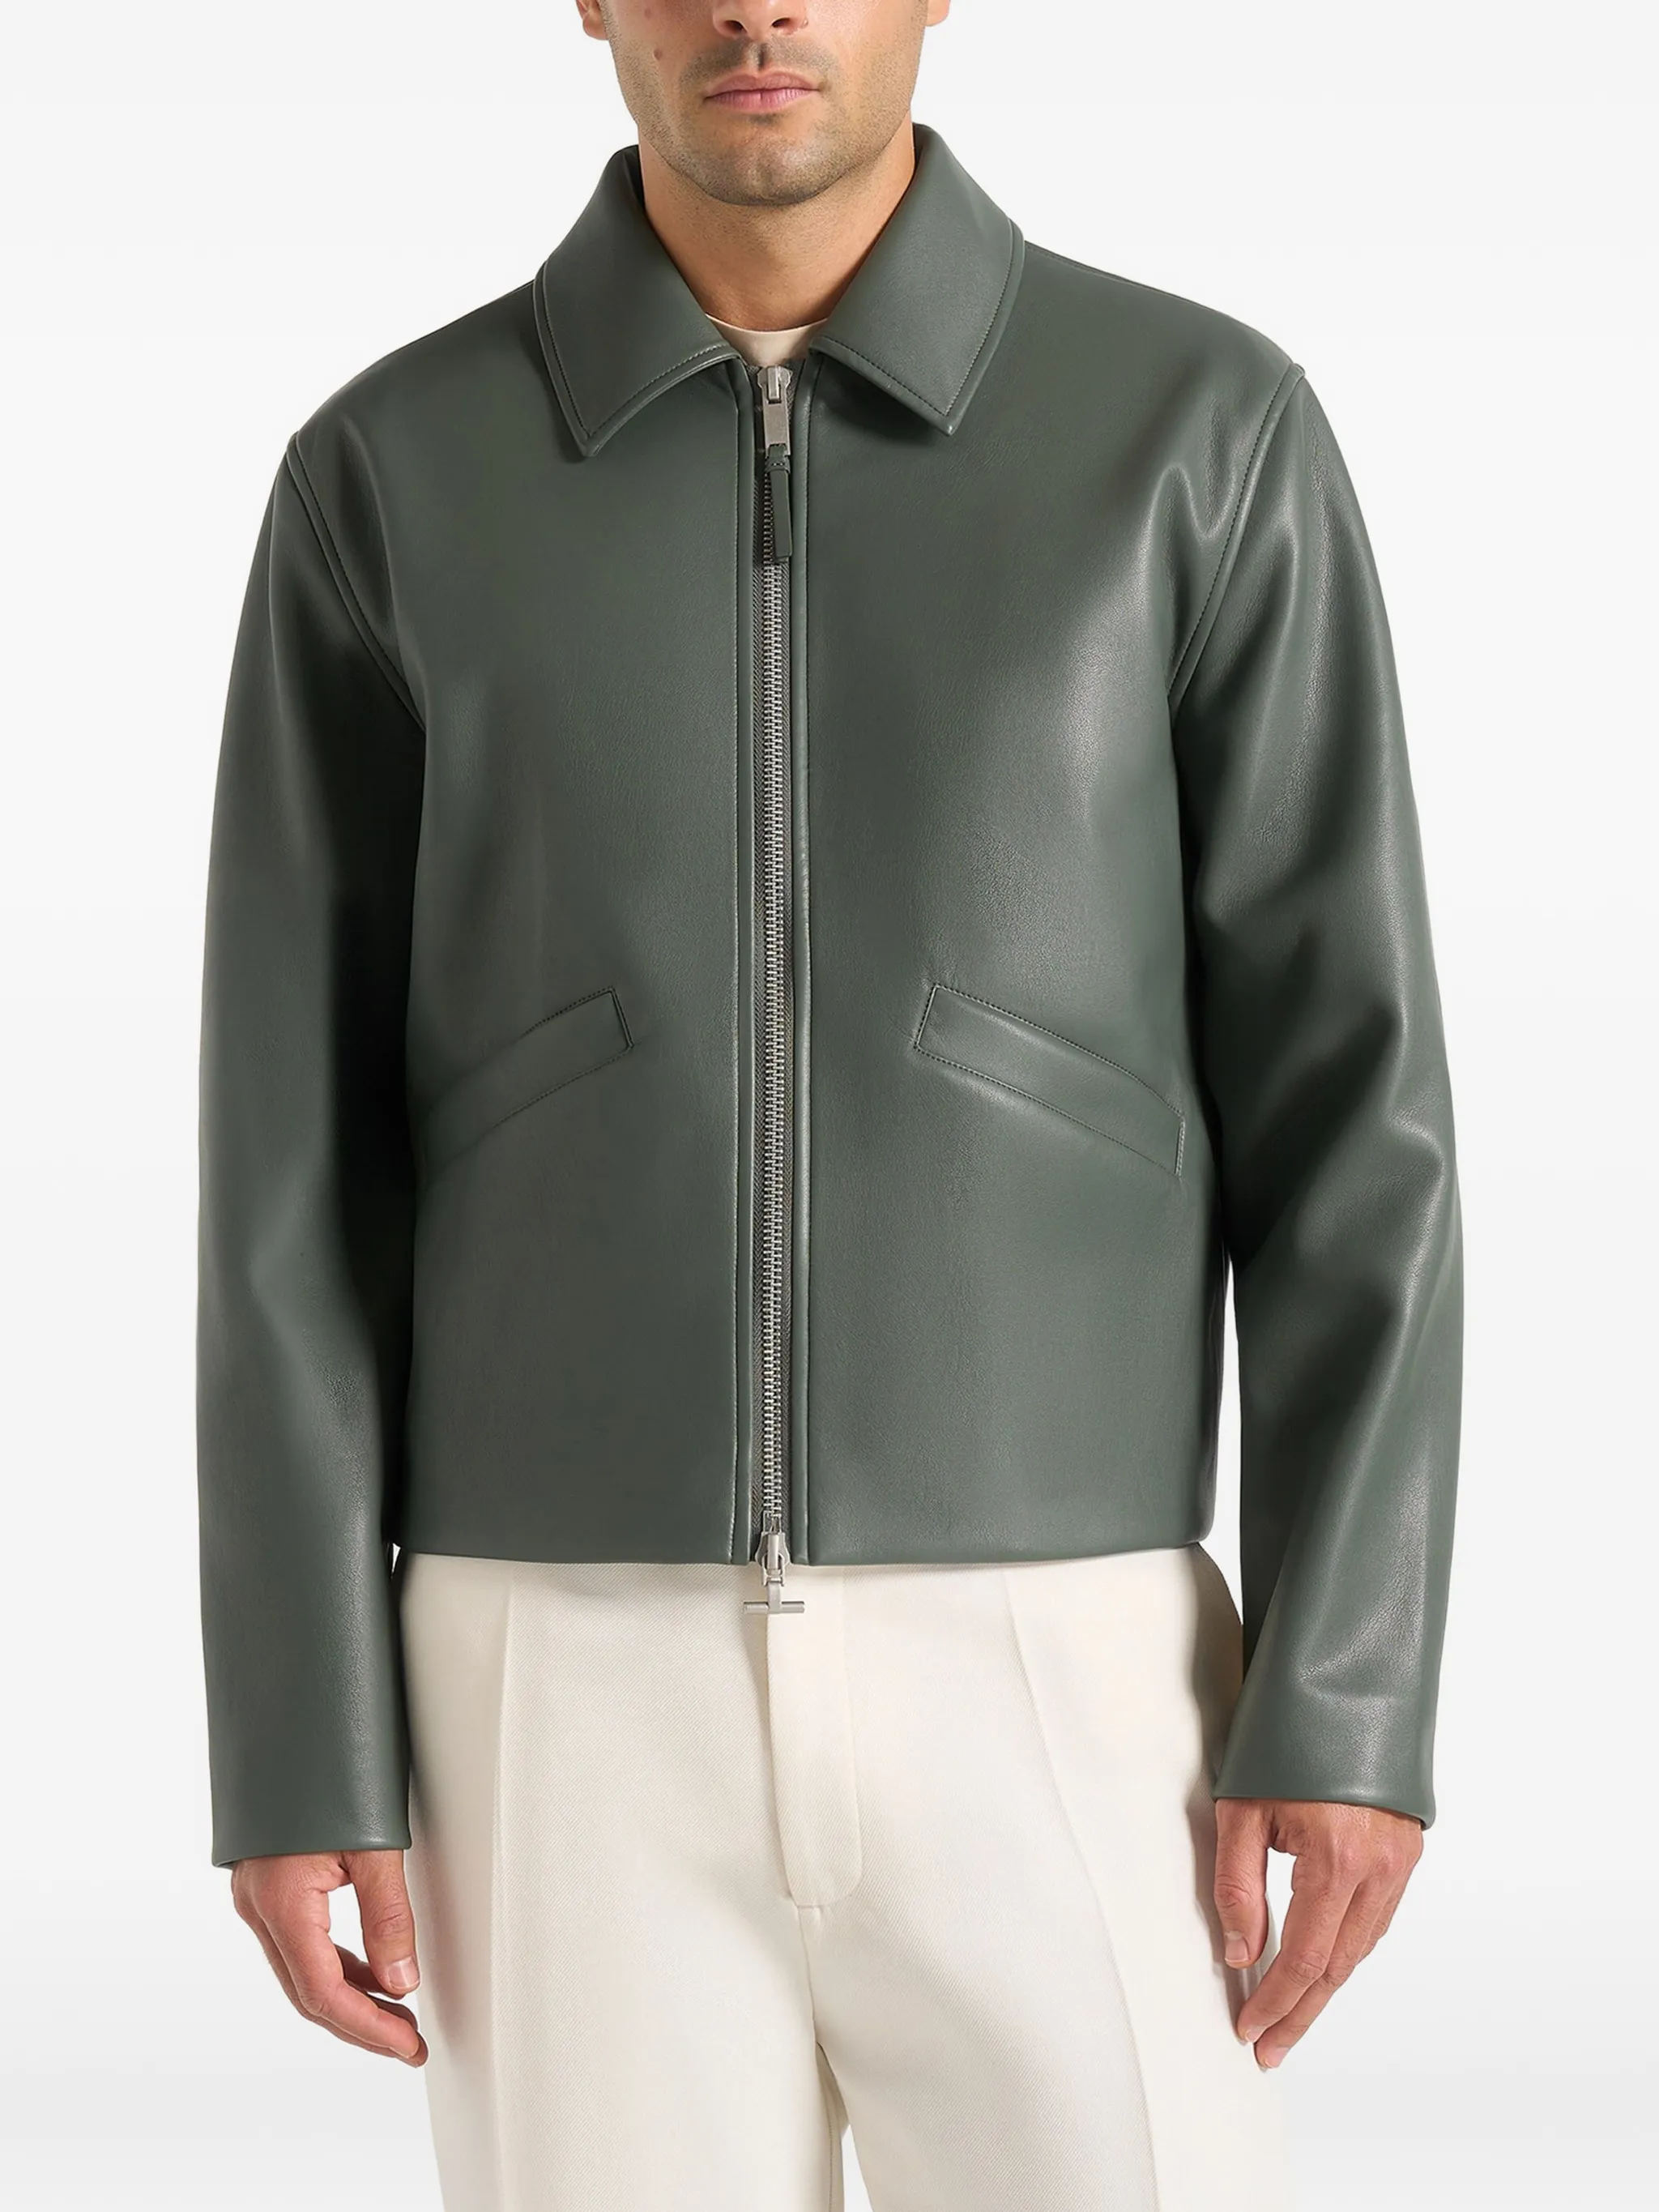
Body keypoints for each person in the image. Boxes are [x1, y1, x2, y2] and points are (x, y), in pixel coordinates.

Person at [195, 3, 1463, 2206]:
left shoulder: (1197, 433)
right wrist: (301, 1733)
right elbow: (287, 1162)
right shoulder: (389, 477)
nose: (759, 6)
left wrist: (1348, 1689)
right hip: (551, 1679)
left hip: (1074, 1657)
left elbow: (1359, 1119)